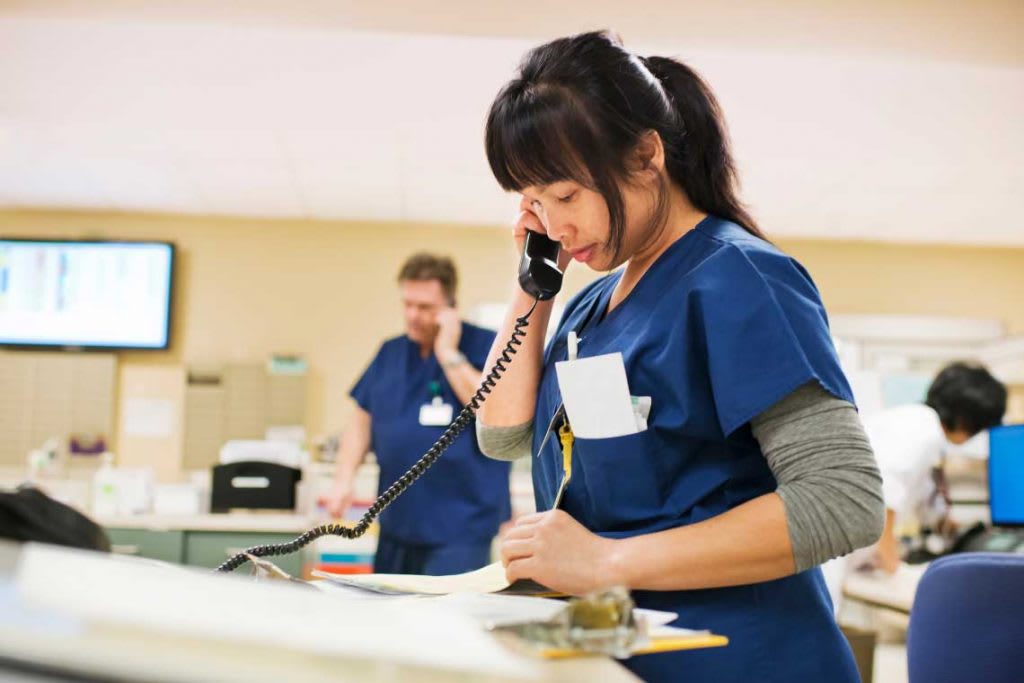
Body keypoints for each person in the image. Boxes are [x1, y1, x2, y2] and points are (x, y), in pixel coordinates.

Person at [474, 31, 885, 682]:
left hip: (746, 660)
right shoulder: (591, 306)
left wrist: (606, 560)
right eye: (535, 203)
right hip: (627, 655)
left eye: (567, 196)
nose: (554, 226)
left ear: (646, 155)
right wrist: (534, 285)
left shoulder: (740, 278)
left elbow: (842, 499)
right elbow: (502, 434)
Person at [323, 253, 511, 575]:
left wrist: (448, 352)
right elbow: (361, 423)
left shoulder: (485, 345)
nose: (412, 315)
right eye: (407, 304)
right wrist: (343, 480)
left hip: (461, 529)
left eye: (425, 307)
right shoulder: (390, 352)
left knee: (444, 621)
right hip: (397, 523)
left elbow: (492, 411)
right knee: (391, 618)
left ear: (450, 306)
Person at [865, 362, 1007, 572]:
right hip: (840, 555)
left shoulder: (917, 423)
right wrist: (891, 565)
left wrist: (948, 525)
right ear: (968, 420)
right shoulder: (923, 430)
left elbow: (923, 496)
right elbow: (884, 498)